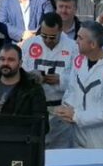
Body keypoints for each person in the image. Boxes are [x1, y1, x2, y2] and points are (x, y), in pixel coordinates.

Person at [56, 21, 103, 149]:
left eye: (80, 38)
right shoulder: (79, 61)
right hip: (77, 136)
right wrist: (66, 109)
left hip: (102, 140)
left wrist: (76, 116)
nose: (76, 41)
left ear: (93, 44)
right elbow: (71, 90)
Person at [22, 12, 79, 148]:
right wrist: (33, 76)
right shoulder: (29, 45)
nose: (47, 40)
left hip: (60, 108)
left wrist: (61, 80)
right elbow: (20, 73)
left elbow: (80, 78)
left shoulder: (73, 48)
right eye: (44, 36)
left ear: (60, 30)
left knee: (60, 153)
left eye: (52, 37)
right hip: (35, 107)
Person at [0, 42, 47, 118]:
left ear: (20, 63)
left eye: (11, 60)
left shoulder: (32, 88)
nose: (5, 63)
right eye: (2, 59)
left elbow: (40, 120)